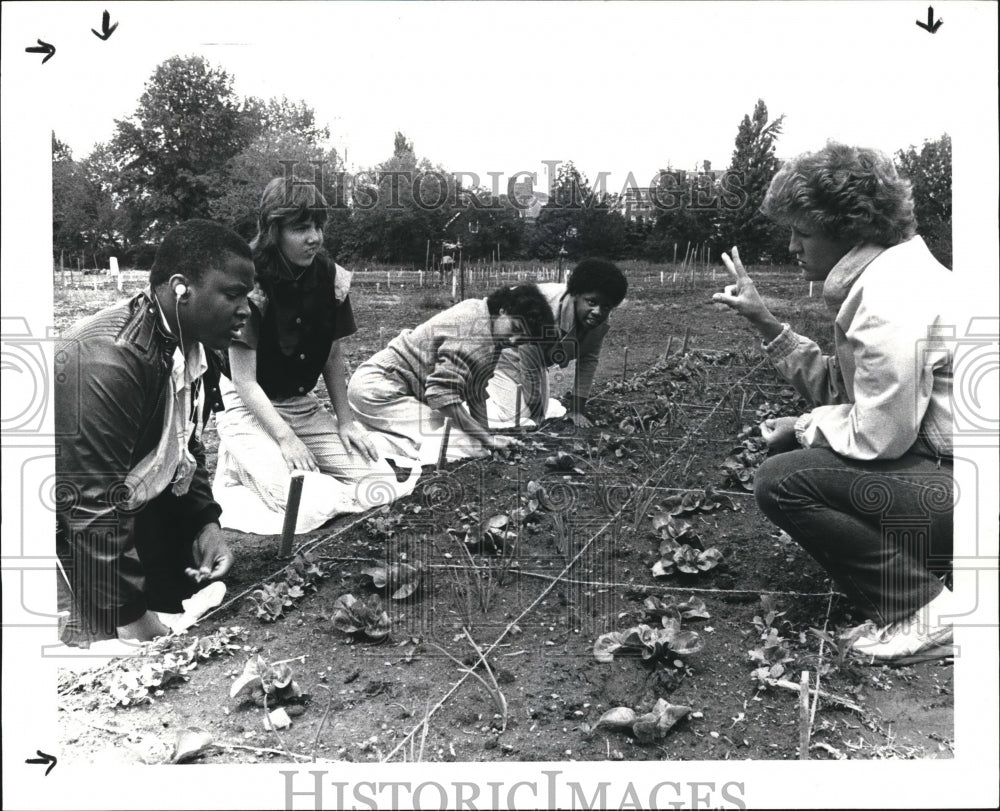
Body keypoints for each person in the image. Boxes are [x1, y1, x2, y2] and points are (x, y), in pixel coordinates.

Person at [713, 143, 955, 662]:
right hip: (957, 478)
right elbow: (853, 395)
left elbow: (878, 438)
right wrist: (765, 322)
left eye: (802, 231)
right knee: (811, 465)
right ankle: (937, 567)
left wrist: (803, 429)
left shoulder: (890, 300)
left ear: (846, 228)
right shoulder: (891, 275)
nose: (791, 245)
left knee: (785, 479)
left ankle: (931, 613)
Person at [55, 219, 255, 645]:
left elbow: (184, 447)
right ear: (181, 287)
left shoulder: (195, 345)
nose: (245, 309)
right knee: (101, 640)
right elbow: (87, 505)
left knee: (184, 595)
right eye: (233, 294)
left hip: (126, 508)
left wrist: (206, 524)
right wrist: (133, 619)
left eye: (248, 295)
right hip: (63, 527)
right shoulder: (108, 362)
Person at [212, 177, 394, 535]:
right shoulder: (249, 283)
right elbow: (245, 381)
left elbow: (332, 352)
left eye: (318, 226)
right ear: (273, 230)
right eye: (301, 228)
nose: (315, 237)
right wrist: (284, 438)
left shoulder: (330, 278)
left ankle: (264, 462)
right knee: (303, 502)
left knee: (378, 482)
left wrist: (345, 420)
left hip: (298, 401)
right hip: (247, 402)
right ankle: (241, 458)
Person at [348, 284, 555, 464]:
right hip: (378, 389)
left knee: (467, 437)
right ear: (504, 310)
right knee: (449, 438)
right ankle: (360, 443)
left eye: (521, 340)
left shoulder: (486, 318)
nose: (513, 341)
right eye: (515, 328)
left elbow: (476, 391)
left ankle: (376, 428)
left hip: (389, 388)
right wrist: (485, 439)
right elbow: (442, 395)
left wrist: (486, 437)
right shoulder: (475, 332)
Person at [486, 258, 628, 427]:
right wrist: (535, 417)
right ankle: (474, 396)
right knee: (516, 418)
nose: (598, 311)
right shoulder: (543, 310)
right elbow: (529, 363)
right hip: (500, 355)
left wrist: (576, 409)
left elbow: (588, 359)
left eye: (606, 307)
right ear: (576, 295)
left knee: (538, 413)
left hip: (536, 363)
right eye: (591, 302)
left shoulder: (598, 320)